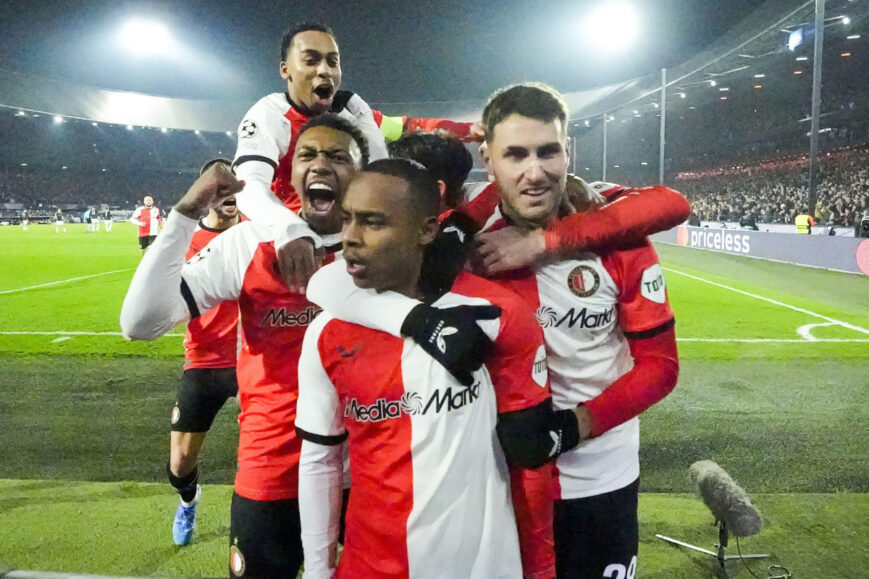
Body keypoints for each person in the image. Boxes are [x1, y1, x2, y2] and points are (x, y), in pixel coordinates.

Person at [306, 83, 680, 579]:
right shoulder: (460, 244)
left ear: (570, 152)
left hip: (599, 479)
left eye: (549, 152)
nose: (535, 171)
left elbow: (661, 368)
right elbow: (329, 282)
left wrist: (573, 427)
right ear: (489, 158)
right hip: (501, 491)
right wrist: (419, 318)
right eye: (515, 154)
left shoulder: (617, 238)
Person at [121, 115, 495, 578]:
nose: (321, 165)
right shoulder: (250, 242)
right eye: (308, 155)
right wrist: (184, 212)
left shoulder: (393, 246)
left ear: (361, 175)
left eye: (339, 157)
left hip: (372, 474)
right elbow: (139, 322)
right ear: (291, 170)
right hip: (272, 467)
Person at [297, 158, 584, 579]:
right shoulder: (324, 333)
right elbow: (320, 462)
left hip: (484, 567)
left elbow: (529, 461)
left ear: (427, 231)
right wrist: (319, 570)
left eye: (373, 223)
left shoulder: (494, 315)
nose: (350, 239)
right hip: (369, 566)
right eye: (348, 220)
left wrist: (540, 571)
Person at [232, 22, 482, 293]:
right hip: (283, 257)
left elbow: (410, 125)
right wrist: (289, 228)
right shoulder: (269, 115)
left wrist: (471, 130)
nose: (324, 70)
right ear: (285, 70)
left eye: (332, 61)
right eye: (311, 60)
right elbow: (247, 186)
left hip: (345, 254)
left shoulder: (354, 112)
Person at [168, 158, 242, 546]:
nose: (227, 191)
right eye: (219, 184)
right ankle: (189, 499)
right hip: (204, 361)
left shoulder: (255, 234)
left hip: (254, 361)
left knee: (270, 454)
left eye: (233, 182)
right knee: (179, 463)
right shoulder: (187, 242)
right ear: (207, 193)